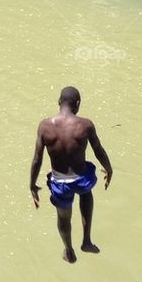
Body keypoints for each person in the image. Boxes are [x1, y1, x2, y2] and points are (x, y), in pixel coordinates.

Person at [29, 86, 113, 263]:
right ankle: (87, 241)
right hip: (81, 179)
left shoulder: (45, 126)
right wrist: (109, 168)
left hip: (60, 182)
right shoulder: (85, 125)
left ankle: (69, 250)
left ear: (59, 102)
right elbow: (98, 150)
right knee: (86, 191)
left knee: (63, 217)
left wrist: (32, 184)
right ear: (78, 104)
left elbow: (37, 158)